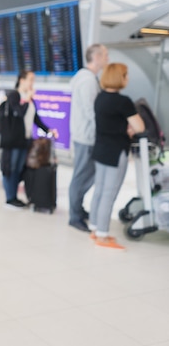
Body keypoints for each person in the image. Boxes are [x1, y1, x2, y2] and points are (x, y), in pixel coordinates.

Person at [89, 62, 144, 249]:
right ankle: (103, 236)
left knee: (99, 190)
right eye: (126, 75)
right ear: (119, 77)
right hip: (115, 152)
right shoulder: (123, 102)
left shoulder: (100, 98)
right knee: (109, 193)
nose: (127, 78)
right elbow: (140, 127)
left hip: (100, 150)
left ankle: (95, 228)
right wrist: (128, 129)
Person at [0, 70, 57, 209]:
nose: (32, 83)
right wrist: (27, 99)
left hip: (25, 140)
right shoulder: (14, 96)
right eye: (30, 79)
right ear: (21, 80)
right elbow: (20, 112)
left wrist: (48, 129)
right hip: (13, 140)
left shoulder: (29, 99)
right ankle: (10, 198)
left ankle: (15, 197)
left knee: (19, 169)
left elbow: (35, 118)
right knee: (10, 168)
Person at [68, 44, 108, 232]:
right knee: (81, 176)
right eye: (105, 55)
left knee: (83, 174)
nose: (107, 58)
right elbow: (91, 111)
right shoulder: (88, 81)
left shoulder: (86, 77)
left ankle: (78, 210)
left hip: (84, 134)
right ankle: (74, 216)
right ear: (97, 57)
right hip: (86, 136)